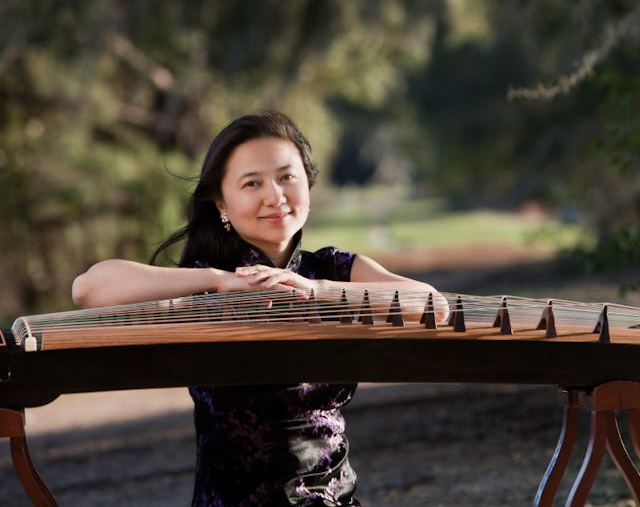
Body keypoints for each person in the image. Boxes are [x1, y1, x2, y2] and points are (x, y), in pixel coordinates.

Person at [72, 110, 449, 506]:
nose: (276, 196)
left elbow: (431, 304)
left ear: (308, 183)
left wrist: (317, 289)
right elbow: (89, 289)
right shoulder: (206, 280)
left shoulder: (335, 271)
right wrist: (219, 281)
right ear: (221, 202)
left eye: (287, 177)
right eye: (252, 183)